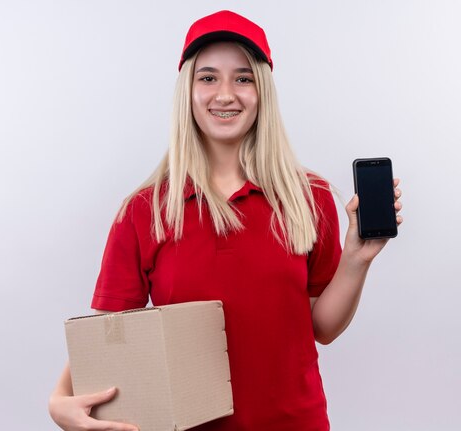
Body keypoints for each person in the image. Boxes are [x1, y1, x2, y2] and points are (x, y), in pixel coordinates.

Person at [48, 10, 403, 431]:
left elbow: (321, 327)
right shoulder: (144, 212)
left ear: (262, 91)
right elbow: (111, 338)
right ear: (188, 91)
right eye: (208, 77)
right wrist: (58, 401)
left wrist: (356, 260)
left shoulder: (310, 196)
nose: (225, 94)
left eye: (243, 78)